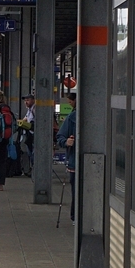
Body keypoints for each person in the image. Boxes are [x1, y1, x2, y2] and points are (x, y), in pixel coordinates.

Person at [57, 91, 77, 221]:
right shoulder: (72, 117)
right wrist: (66, 142)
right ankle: (75, 216)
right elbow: (60, 136)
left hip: (75, 162)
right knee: (76, 190)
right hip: (74, 162)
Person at [17, 93, 36, 176]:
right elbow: (24, 120)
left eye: (28, 100)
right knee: (29, 153)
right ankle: (33, 169)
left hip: (35, 136)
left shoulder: (35, 109)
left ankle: (36, 170)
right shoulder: (29, 110)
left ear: (33, 100)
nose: (26, 102)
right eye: (25, 101)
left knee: (33, 153)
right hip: (29, 135)